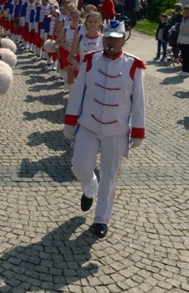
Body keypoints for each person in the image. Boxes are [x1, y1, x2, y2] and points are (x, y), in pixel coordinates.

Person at [62, 21, 145, 239]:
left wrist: (138, 130)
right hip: (88, 125)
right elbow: (78, 92)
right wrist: (70, 121)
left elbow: (138, 102)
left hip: (116, 130)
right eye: (108, 37)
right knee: (80, 165)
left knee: (110, 177)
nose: (110, 42)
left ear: (123, 40)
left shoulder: (133, 65)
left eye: (116, 38)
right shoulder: (90, 60)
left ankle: (101, 220)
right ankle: (90, 187)